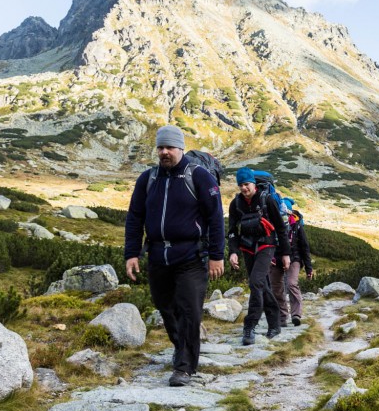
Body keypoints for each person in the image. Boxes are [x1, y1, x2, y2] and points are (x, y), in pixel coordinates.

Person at [124, 125, 225, 387]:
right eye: (161, 147)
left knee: (189, 310)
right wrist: (132, 253)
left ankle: (184, 367)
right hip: (158, 256)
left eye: (170, 147)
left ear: (181, 148)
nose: (165, 152)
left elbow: (216, 218)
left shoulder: (200, 176)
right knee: (166, 308)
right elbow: (135, 217)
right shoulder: (148, 179)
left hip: (192, 256)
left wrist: (217, 255)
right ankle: (181, 347)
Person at [227, 167, 290, 345]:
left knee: (255, 282)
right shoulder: (236, 204)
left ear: (254, 184)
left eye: (246, 184)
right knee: (262, 284)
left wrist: (285, 254)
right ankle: (274, 323)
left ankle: (250, 326)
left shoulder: (267, 199)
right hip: (247, 248)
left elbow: (280, 228)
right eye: (241, 185)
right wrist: (233, 252)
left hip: (266, 245)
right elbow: (232, 231)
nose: (244, 188)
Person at [270, 196, 314, 326]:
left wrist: (308, 268)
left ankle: (296, 314)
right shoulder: (272, 224)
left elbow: (305, 247)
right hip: (276, 259)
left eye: (286, 212)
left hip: (294, 258)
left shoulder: (297, 227)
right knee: (276, 287)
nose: (283, 215)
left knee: (291, 284)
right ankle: (282, 317)